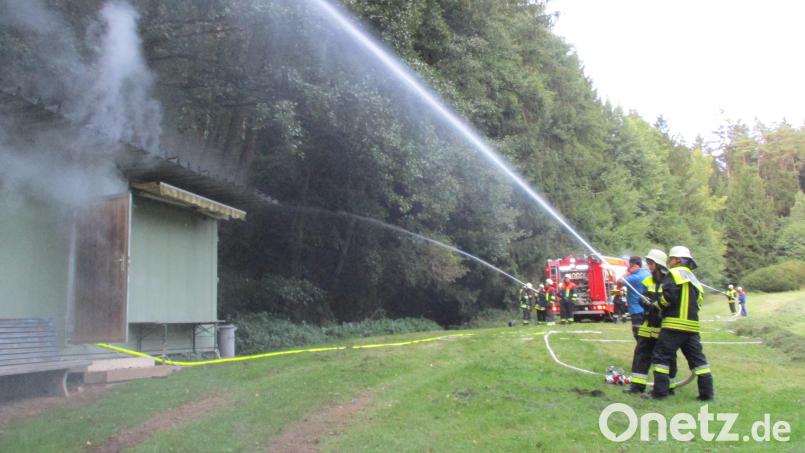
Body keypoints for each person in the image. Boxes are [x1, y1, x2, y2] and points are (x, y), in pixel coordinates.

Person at [644, 246, 714, 401]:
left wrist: (655, 305)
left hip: (673, 326)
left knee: (661, 358)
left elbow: (669, 297)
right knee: (699, 362)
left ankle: (659, 393)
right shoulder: (694, 279)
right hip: (692, 326)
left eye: (671, 259)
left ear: (678, 260)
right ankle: (707, 395)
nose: (669, 262)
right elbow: (699, 302)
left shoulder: (673, 274)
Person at [624, 249, 678, 395]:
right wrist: (644, 302)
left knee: (665, 358)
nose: (648, 266)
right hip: (648, 325)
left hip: (663, 326)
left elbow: (671, 300)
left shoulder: (670, 280)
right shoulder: (648, 280)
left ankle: (668, 387)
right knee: (641, 355)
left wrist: (657, 306)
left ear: (659, 264)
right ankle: (637, 386)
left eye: (651, 263)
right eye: (648, 262)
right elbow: (644, 296)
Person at [620, 256, 650, 340]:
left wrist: (627, 272)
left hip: (636, 310)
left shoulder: (634, 277)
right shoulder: (646, 273)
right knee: (646, 333)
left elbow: (619, 282)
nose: (628, 267)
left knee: (638, 334)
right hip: (646, 308)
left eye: (629, 266)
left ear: (633, 265)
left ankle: (643, 351)